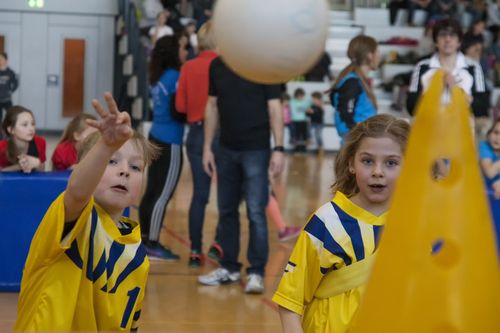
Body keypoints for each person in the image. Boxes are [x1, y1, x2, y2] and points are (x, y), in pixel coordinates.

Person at [14, 92, 158, 332]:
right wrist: (105, 146)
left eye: (135, 167)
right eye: (112, 161)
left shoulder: (137, 253)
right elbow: (78, 192)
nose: (125, 171)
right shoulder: (75, 216)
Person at [272, 114, 410, 333]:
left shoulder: (415, 227)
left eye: (391, 163)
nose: (377, 171)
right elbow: (289, 301)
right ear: (351, 164)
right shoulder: (327, 223)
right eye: (367, 161)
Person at [198, 56, 285, 294]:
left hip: (256, 149)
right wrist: (207, 147)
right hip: (225, 149)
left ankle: (256, 271)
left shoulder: (265, 64)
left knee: (256, 212)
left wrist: (278, 148)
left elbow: (275, 108)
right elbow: (212, 105)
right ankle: (229, 268)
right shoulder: (217, 66)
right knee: (226, 210)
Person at [139, 35, 188, 261]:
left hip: (155, 134)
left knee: (151, 191)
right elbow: (180, 108)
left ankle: (144, 237)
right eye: (181, 47)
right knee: (163, 193)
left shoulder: (156, 77)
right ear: (173, 51)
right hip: (170, 139)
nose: (184, 51)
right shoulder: (175, 76)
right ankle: (153, 243)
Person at [175, 21, 220, 267]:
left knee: (199, 195)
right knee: (228, 195)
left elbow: (180, 106)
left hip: (196, 133)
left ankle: (194, 250)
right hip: (224, 134)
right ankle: (218, 246)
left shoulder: (188, 67)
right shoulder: (225, 66)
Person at [407, 18, 490, 117]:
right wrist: (435, 86)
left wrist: (455, 89)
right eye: (442, 35)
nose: (447, 39)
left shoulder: (473, 67)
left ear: (459, 42)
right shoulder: (422, 66)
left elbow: (482, 108)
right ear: (435, 42)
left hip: (461, 128)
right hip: (429, 127)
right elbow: (411, 108)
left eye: (452, 35)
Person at [329, 35, 379, 141]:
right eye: (377, 52)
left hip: (362, 140)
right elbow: (345, 115)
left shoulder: (357, 80)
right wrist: (358, 132)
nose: (379, 56)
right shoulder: (352, 82)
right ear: (370, 55)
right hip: (356, 142)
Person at [0, 106, 45, 173]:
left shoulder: (40, 142)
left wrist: (37, 163)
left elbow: (42, 171)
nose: (31, 128)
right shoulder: (2, 147)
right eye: (25, 125)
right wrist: (19, 166)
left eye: (32, 124)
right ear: (11, 130)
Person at [479, 119, 500, 197]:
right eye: (496, 132)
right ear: (489, 133)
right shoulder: (484, 146)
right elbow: (489, 173)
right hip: (483, 193)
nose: (498, 138)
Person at [0, 52, 19, 133]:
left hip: (7, 99)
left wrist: (10, 91)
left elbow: (16, 84)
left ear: (6, 60)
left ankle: (9, 133)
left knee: (11, 116)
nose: (0, 60)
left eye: (1, 59)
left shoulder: (10, 72)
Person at [290, 88, 311, 152]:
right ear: (296, 95)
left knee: (304, 135)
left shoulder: (306, 101)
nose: (300, 97)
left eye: (301, 95)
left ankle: (304, 148)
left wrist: (308, 110)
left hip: (304, 120)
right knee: (296, 135)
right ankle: (296, 148)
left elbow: (310, 109)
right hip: (295, 120)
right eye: (299, 95)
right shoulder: (292, 101)